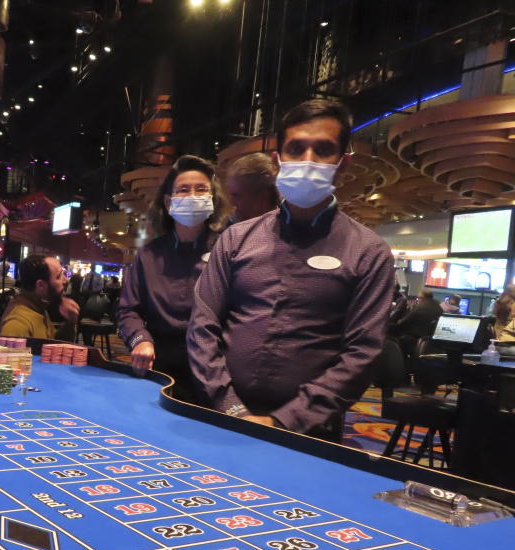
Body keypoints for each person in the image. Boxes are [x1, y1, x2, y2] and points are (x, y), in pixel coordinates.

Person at [187, 98, 394, 440]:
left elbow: (362, 354)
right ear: (278, 159)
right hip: (222, 415)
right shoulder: (236, 238)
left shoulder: (369, 252)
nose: (308, 160)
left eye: (323, 149)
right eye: (296, 148)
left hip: (308, 432)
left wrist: (286, 421)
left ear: (343, 163)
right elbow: (202, 326)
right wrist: (232, 408)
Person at [117, 155, 222, 400]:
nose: (193, 196)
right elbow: (127, 310)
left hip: (212, 368)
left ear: (212, 199)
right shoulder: (148, 254)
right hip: (156, 362)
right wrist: (140, 340)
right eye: (183, 190)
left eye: (201, 190)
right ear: (168, 201)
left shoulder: (227, 250)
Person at [0, 254, 79, 339]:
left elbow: (51, 345)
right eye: (58, 276)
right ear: (41, 285)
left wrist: (70, 322)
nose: (65, 280)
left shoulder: (37, 306)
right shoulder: (17, 324)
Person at [223, 152, 279, 223]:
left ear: (262, 197)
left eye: (236, 196)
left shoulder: (286, 229)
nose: (231, 202)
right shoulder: (228, 227)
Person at [392, 289, 442, 357]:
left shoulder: (420, 307)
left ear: (423, 298)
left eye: (418, 298)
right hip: (429, 338)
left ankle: (398, 359)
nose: (418, 300)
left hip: (414, 337)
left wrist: (398, 322)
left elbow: (405, 321)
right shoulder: (438, 308)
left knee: (394, 332)